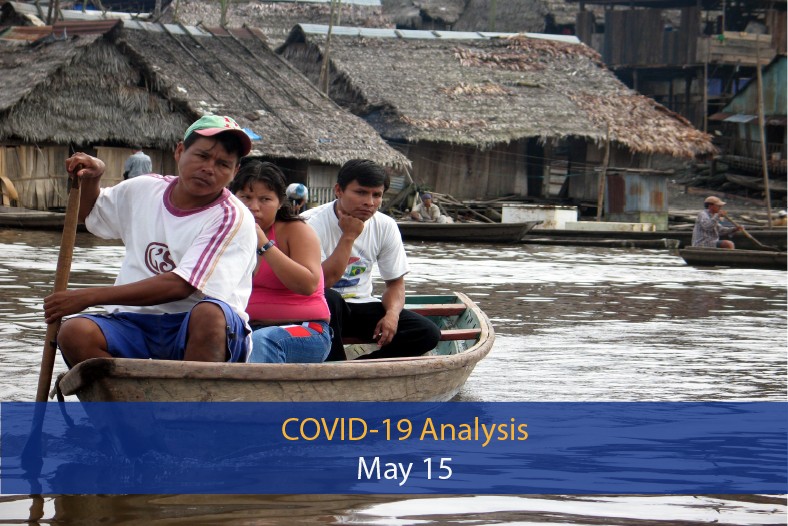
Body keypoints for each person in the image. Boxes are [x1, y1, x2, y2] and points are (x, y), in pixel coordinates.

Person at [43, 115, 257, 366]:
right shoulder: (144, 188)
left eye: (223, 164)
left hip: (192, 326)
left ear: (234, 172)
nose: (209, 168)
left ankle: (192, 392)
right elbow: (91, 213)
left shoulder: (231, 217)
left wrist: (88, 296)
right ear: (180, 151)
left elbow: (182, 285)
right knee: (74, 333)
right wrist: (93, 178)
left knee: (209, 314)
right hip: (133, 322)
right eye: (202, 156)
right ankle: (128, 393)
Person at [302, 159, 441, 361]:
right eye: (361, 192)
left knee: (427, 332)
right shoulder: (308, 223)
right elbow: (321, 283)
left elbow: (395, 283)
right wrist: (349, 236)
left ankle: (361, 367)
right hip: (319, 308)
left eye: (377, 195)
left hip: (361, 305)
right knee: (330, 297)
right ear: (338, 190)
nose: (369, 202)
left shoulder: (385, 225)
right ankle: (336, 367)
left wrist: (392, 315)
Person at [230, 160, 331, 363]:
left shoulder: (296, 230)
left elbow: (308, 285)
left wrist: (265, 245)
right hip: (246, 328)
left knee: (261, 341)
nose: (253, 207)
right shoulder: (224, 232)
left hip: (306, 329)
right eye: (245, 197)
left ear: (280, 202)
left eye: (265, 199)